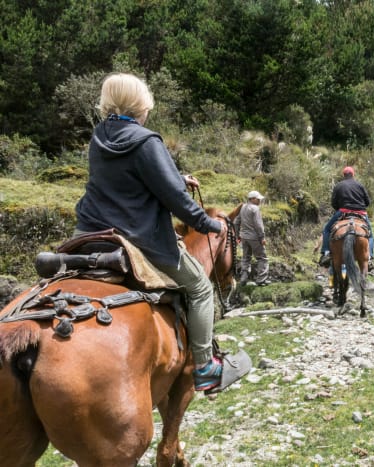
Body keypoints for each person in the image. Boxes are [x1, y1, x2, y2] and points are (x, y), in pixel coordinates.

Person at [74, 72, 230, 393]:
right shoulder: (146, 140)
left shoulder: (99, 137)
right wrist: (208, 225)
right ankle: (204, 367)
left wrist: (175, 175)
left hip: (92, 233)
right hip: (138, 237)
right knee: (200, 287)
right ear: (139, 105)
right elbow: (175, 200)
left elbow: (127, 177)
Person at [318, 166, 374, 268]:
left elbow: (333, 203)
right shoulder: (360, 185)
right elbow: (367, 202)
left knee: (326, 229)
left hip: (343, 211)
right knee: (370, 235)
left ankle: (326, 253)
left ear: (343, 175)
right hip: (361, 213)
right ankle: (370, 257)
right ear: (353, 174)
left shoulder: (338, 186)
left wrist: (339, 208)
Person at [233, 190, 270, 286]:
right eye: (258, 199)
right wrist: (262, 237)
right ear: (252, 199)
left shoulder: (243, 207)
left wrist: (237, 236)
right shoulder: (255, 209)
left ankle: (243, 278)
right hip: (254, 237)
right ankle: (261, 279)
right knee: (262, 258)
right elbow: (259, 225)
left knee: (246, 258)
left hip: (244, 237)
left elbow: (236, 222)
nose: (259, 201)